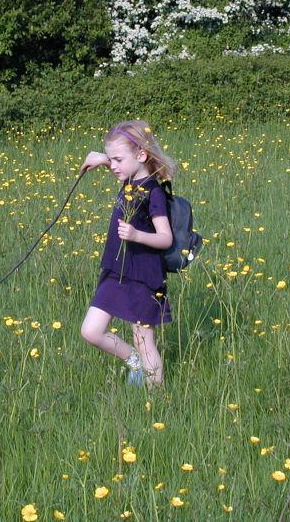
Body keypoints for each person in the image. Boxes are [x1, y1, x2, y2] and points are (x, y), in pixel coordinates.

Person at [79, 120, 176, 387]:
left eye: (117, 160)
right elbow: (120, 159)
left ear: (141, 155)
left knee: (144, 342)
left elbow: (165, 238)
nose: (113, 166)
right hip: (116, 270)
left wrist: (136, 235)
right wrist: (101, 158)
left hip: (144, 276)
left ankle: (155, 402)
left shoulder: (153, 191)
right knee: (91, 331)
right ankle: (132, 360)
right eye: (111, 160)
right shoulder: (129, 176)